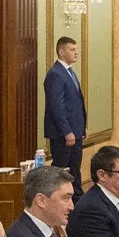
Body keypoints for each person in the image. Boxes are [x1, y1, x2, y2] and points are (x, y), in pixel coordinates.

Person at [44, 36, 86, 193]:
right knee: (62, 172)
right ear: (61, 52)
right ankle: (64, 199)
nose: (76, 53)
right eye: (72, 49)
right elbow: (57, 106)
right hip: (63, 135)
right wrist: (67, 131)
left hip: (76, 132)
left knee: (74, 170)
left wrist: (82, 127)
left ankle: (76, 200)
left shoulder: (69, 72)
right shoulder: (55, 74)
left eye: (76, 49)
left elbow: (75, 103)